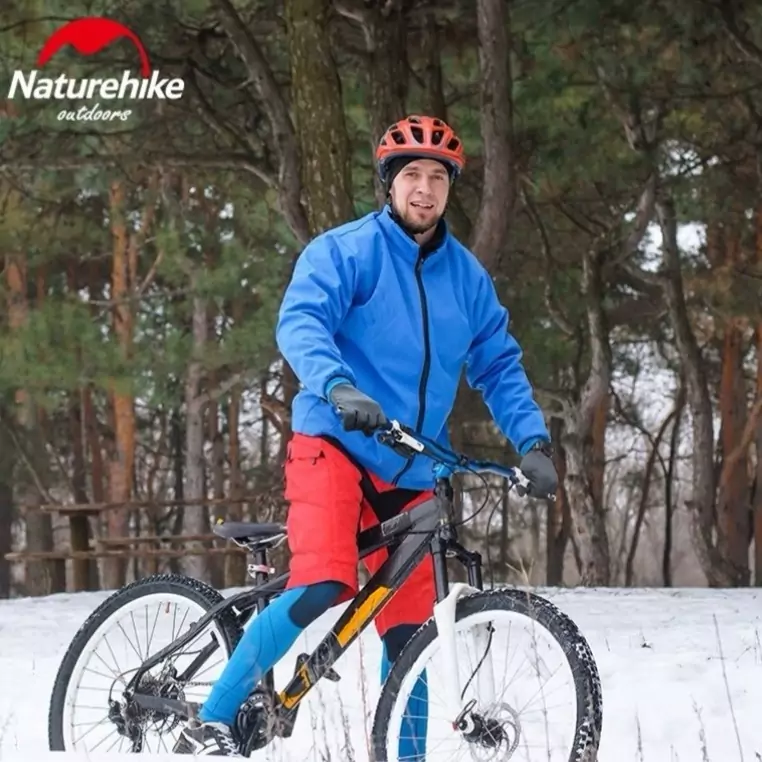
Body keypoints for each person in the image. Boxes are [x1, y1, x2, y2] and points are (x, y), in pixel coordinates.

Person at [175, 114, 558, 757]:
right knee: (324, 582)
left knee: (412, 636)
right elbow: (302, 321)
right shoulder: (346, 251)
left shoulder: (468, 279)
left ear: (450, 189)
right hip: (334, 442)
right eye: (412, 175)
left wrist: (533, 443)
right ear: (389, 182)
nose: (424, 188)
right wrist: (338, 386)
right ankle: (211, 719)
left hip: (411, 465)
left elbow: (498, 366)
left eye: (438, 177)